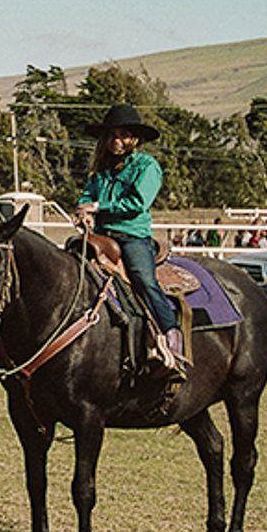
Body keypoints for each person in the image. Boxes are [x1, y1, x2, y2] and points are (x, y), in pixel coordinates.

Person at [77, 104, 182, 383]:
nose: (116, 141)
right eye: (112, 135)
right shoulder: (100, 170)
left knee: (142, 279)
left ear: (135, 138)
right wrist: (83, 211)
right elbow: (86, 195)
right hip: (100, 236)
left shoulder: (147, 167)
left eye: (123, 135)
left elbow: (137, 203)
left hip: (132, 235)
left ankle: (171, 334)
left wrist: (98, 207)